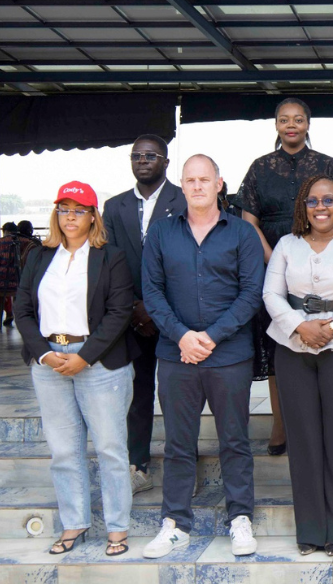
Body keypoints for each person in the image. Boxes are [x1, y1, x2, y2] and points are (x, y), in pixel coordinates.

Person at [141, 155, 264, 559]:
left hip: (229, 356)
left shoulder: (242, 233)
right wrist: (182, 336)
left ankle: (240, 518)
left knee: (235, 440)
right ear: (182, 185)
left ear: (218, 184)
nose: (197, 186)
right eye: (190, 180)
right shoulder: (161, 233)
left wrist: (209, 336)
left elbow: (251, 293)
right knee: (178, 443)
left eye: (204, 179)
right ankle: (175, 524)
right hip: (176, 356)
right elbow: (152, 292)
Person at [14, 182, 136, 556]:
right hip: (49, 361)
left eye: (79, 210)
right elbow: (22, 309)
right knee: (64, 450)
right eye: (64, 209)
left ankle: (117, 528)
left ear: (93, 216)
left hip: (99, 362)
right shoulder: (38, 256)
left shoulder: (111, 257)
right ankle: (74, 523)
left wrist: (85, 357)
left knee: (110, 448)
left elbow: (119, 312)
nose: (70, 216)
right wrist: (43, 354)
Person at [262, 174, 333, 556]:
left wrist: (332, 327)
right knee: (304, 439)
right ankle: (311, 531)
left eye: (328, 200)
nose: (320, 207)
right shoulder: (286, 245)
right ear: (303, 207)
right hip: (292, 348)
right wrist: (300, 326)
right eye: (312, 201)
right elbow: (271, 294)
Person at [237, 97, 333, 457]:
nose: (291, 125)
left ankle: (324, 421)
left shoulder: (326, 165)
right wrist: (276, 262)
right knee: (279, 341)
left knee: (324, 332)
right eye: (284, 119)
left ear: (307, 125)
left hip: (321, 259)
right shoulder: (260, 167)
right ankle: (281, 423)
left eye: (298, 119)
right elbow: (248, 221)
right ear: (276, 125)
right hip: (271, 261)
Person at [103, 133, 187, 495]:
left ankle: (182, 467)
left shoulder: (184, 199)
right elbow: (110, 262)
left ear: (165, 162)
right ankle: (137, 466)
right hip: (131, 318)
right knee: (136, 396)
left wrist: (154, 308)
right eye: (137, 156)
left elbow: (187, 262)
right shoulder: (114, 206)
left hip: (174, 317)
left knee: (177, 396)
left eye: (151, 156)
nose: (143, 161)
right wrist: (135, 308)